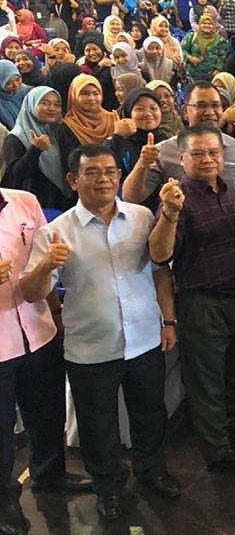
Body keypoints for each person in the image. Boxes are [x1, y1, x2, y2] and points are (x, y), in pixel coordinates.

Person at [20, 144, 182, 522]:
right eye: (92, 172)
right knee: (98, 426)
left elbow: (161, 266)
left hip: (143, 338)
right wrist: (45, 267)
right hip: (90, 348)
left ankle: (152, 472)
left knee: (150, 414)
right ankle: (109, 489)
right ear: (74, 180)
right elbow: (30, 293)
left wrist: (169, 320)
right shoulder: (55, 232)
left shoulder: (142, 217)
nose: (104, 179)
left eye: (110, 171)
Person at [147, 124, 235, 473]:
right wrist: (169, 215)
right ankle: (218, 452)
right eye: (198, 153)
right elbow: (159, 256)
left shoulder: (230, 188)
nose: (207, 159)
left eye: (213, 152)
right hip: (202, 303)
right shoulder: (176, 198)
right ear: (182, 158)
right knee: (208, 382)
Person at [0, 187, 93, 535]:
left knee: (46, 410)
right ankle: (4, 501)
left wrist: (56, 312)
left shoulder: (25, 201)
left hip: (38, 329)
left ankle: (50, 473)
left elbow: (45, 261)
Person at [121, 81, 235, 207]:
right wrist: (142, 165)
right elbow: (131, 198)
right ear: (185, 111)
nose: (210, 112)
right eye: (201, 106)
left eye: (216, 105)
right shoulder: (164, 151)